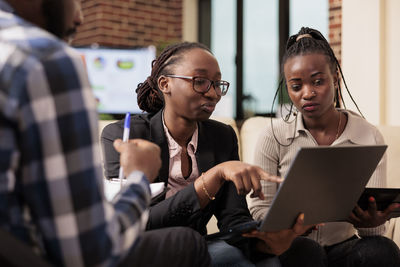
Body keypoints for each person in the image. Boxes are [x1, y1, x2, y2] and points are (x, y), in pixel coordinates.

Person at [0, 0, 210, 266]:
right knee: (186, 243)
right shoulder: (44, 59)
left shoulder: (221, 135)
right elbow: (87, 251)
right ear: (164, 84)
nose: (79, 18)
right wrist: (139, 178)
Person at [102, 41, 328, 266]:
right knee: (225, 256)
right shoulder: (125, 136)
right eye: (200, 82)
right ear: (165, 84)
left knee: (301, 250)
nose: (213, 93)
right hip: (146, 251)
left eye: (217, 84)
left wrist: (264, 239)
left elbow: (233, 218)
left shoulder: (222, 136)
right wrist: (212, 177)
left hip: (200, 245)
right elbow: (134, 223)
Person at [247, 27, 400, 267]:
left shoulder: (368, 135)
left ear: (335, 77)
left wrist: (371, 223)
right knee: (306, 252)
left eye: (318, 82)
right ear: (287, 88)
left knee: (382, 249)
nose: (307, 93)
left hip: (344, 247)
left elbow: (374, 230)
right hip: (293, 247)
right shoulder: (273, 136)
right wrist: (289, 228)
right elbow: (258, 209)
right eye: (296, 86)